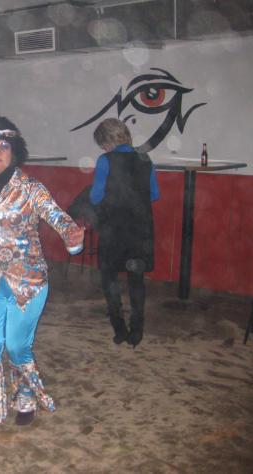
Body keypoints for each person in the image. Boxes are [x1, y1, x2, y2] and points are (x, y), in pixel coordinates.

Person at [0, 116, 84, 426]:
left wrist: (72, 237)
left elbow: (58, 217)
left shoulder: (30, 188)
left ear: (14, 151)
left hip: (27, 283)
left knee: (17, 345)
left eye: (3, 146)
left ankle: (26, 398)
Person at [89, 118, 159, 348]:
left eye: (102, 143)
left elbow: (95, 197)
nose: (103, 148)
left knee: (110, 279)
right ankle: (137, 330)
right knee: (136, 280)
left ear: (107, 140)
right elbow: (154, 194)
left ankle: (119, 329)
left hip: (114, 228)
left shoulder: (105, 160)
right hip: (140, 229)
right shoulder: (145, 159)